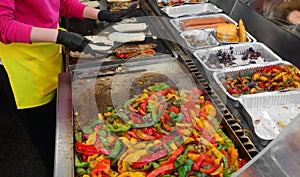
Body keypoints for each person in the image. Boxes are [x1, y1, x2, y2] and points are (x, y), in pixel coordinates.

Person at [0, 0, 136, 176]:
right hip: (23, 67)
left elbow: (60, 3)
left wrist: (98, 14)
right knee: (50, 142)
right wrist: (60, 36)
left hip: (48, 53)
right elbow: (4, 27)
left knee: (65, 128)